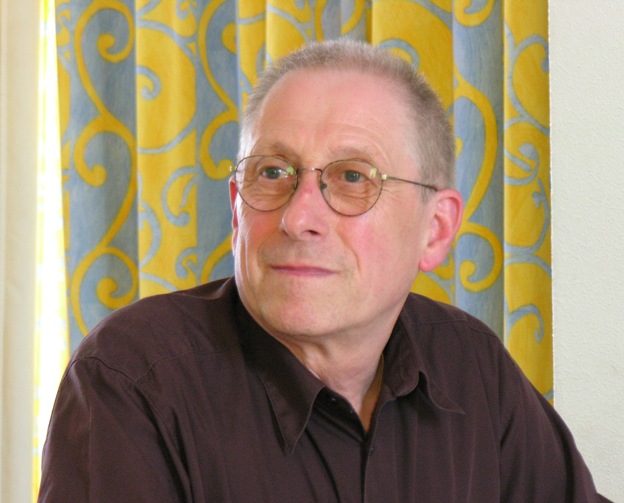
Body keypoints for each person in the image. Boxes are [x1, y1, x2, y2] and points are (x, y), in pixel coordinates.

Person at [39, 39, 608, 502]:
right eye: (272, 172)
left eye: (353, 178)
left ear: (435, 230)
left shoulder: (471, 366)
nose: (298, 218)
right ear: (237, 210)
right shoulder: (134, 379)